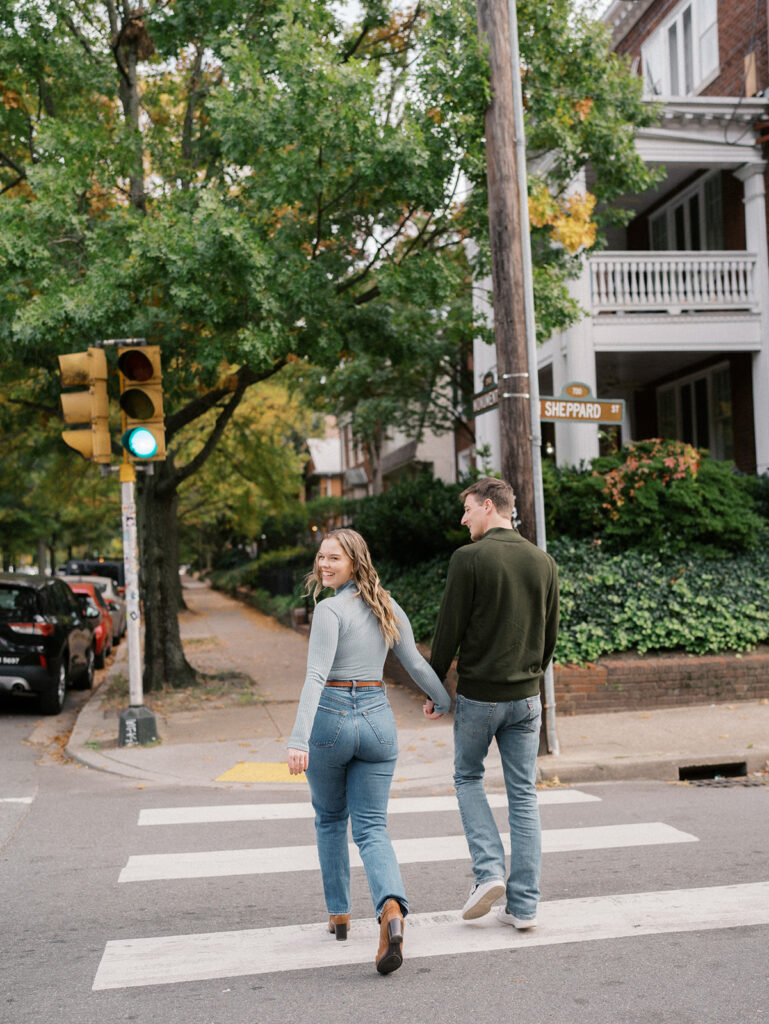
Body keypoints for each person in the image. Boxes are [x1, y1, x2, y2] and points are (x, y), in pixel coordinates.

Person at [286, 528, 451, 975]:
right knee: (373, 827)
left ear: (355, 562)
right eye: (320, 557)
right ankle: (392, 910)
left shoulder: (328, 610)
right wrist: (443, 699)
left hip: (331, 721)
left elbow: (316, 677)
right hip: (378, 721)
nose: (323, 565)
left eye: (334, 558)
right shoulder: (386, 606)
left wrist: (298, 739)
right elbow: (415, 662)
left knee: (330, 819)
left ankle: (340, 914)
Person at [424, 477, 559, 930]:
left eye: (466, 510)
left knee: (467, 777)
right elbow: (549, 637)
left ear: (488, 506)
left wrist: (435, 688)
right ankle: (524, 907)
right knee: (524, 797)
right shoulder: (543, 562)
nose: (462, 519)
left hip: (481, 696)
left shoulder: (469, 559)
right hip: (526, 699)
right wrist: (529, 678)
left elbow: (449, 629)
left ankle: (487, 874)